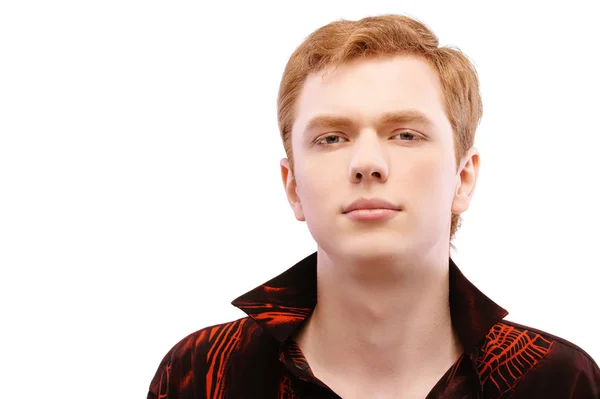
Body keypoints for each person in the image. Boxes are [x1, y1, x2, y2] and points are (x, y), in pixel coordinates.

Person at [147, 13, 600, 398]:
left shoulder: (561, 382)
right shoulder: (199, 375)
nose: (367, 164)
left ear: (463, 178)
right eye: (331, 138)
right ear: (293, 187)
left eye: (405, 134)